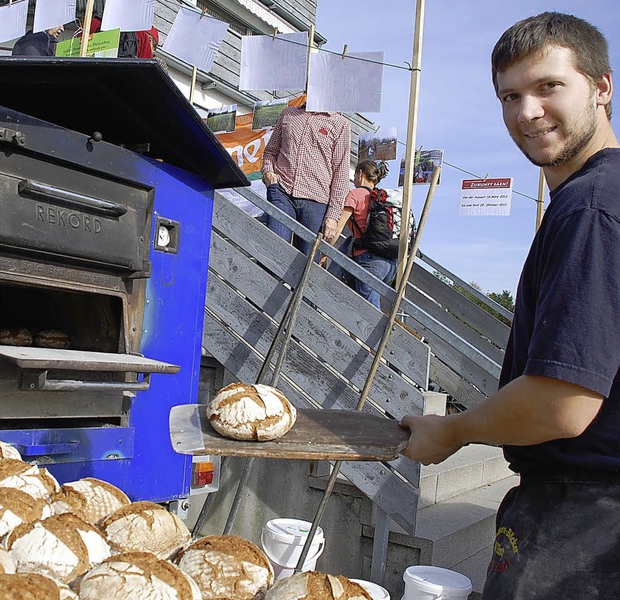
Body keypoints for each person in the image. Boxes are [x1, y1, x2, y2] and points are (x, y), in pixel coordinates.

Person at [400, 12, 619, 599]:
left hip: (584, 525)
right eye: (510, 96)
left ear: (602, 88)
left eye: (549, 86)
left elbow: (561, 404)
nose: (527, 112)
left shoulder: (592, 206)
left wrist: (452, 431)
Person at [262, 104, 351, 255]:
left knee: (306, 261)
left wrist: (333, 216)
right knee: (274, 249)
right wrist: (268, 172)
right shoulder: (288, 113)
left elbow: (340, 175)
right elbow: (270, 151)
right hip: (282, 190)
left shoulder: (340, 123)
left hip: (316, 202)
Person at [320, 160, 396, 309]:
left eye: (355, 175)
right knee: (354, 311)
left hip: (368, 260)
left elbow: (338, 227)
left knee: (368, 314)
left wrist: (325, 253)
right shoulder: (382, 198)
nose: (354, 179)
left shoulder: (355, 194)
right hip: (389, 263)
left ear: (360, 174)